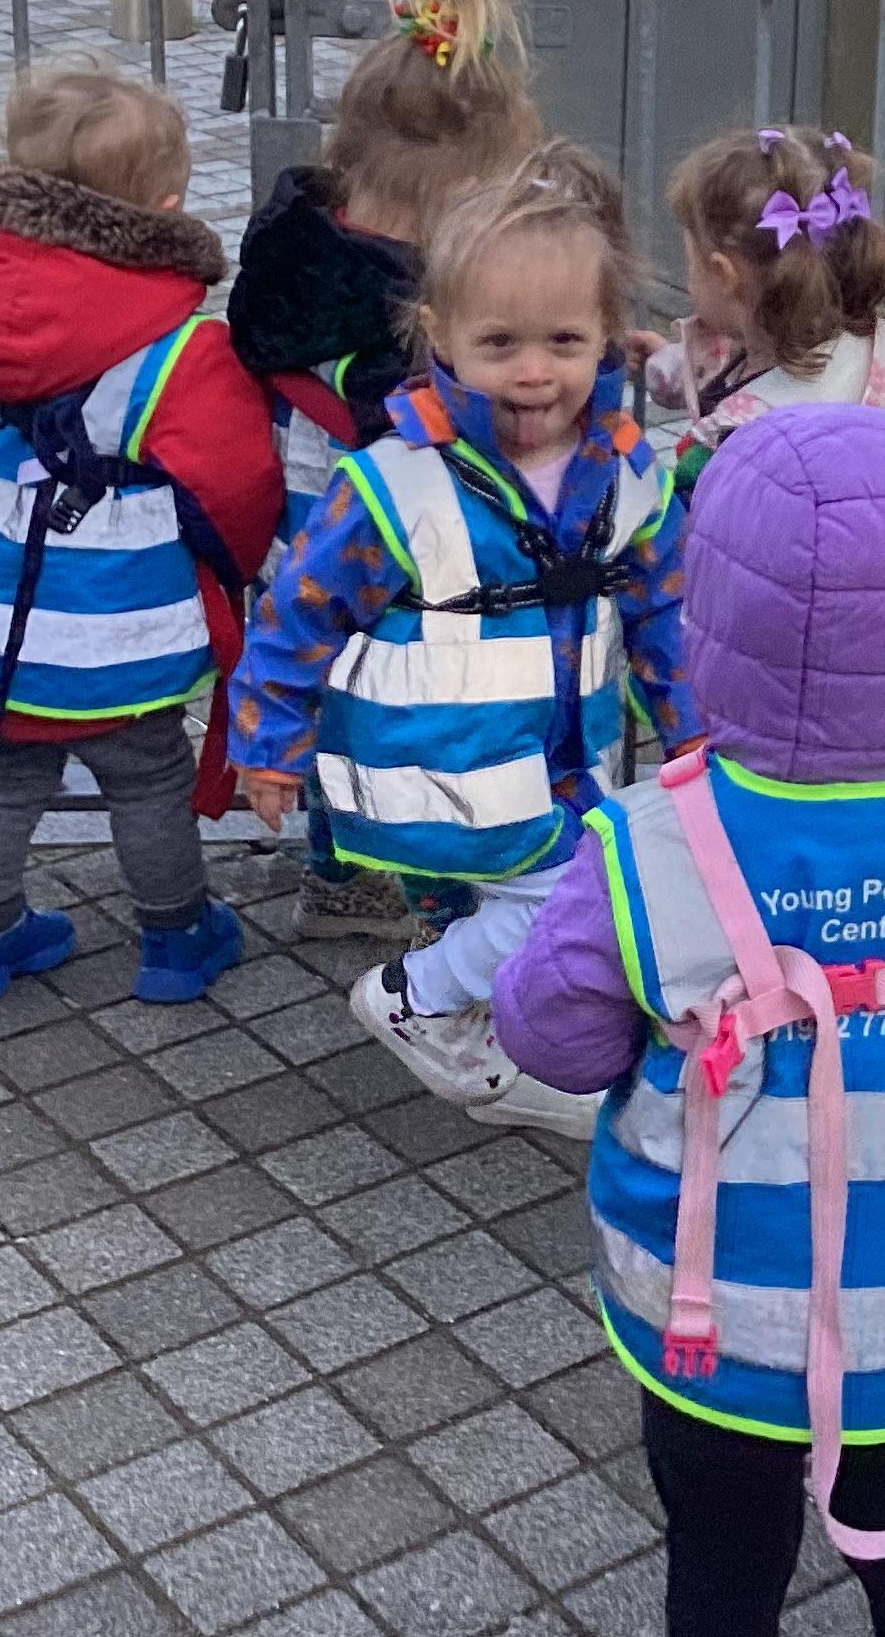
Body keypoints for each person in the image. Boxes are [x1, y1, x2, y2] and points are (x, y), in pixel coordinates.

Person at [491, 407, 885, 1637]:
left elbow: (548, 1039)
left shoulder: (647, 842)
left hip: (706, 1325)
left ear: (717, 612)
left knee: (722, 1571)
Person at [231, 163, 697, 1138]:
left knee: (524, 898)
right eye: (499, 343)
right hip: (434, 766)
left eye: (564, 342)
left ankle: (487, 1026)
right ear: (437, 335)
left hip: (549, 763)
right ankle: (418, 999)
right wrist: (268, 745)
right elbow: (297, 615)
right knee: (575, 896)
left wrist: (693, 735)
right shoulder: (395, 480)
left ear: (608, 336)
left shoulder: (626, 474)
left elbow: (662, 615)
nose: (534, 371)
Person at [0, 63, 278, 1009]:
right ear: (165, 208)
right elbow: (237, 484)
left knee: (1, 775)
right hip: (116, 625)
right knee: (148, 778)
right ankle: (175, 942)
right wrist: (239, 568)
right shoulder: (181, 345)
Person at [229, 0, 542, 942]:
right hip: (412, 552)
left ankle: (338, 877)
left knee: (332, 699)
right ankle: (440, 907)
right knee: (417, 714)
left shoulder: (292, 257)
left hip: (299, 537)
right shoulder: (431, 304)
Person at [645, 123, 885, 494]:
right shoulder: (868, 338)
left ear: (723, 274)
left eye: (690, 260)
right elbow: (727, 361)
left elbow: (689, 519)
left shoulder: (730, 442)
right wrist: (664, 363)